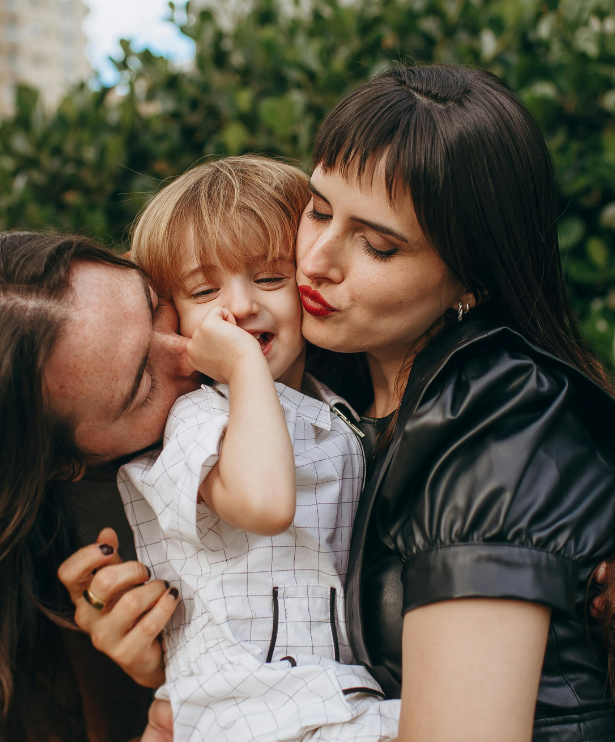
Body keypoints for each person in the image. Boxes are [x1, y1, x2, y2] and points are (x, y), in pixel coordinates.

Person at [71, 65, 615, 741]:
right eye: (317, 210)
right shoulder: (325, 386)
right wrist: (176, 645)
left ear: (471, 277)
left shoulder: (493, 421)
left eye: (377, 245)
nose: (316, 259)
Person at [114, 155, 400, 742]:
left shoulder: (333, 408)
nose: (241, 306)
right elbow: (263, 505)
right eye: (204, 290)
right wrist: (243, 363)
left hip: (328, 695)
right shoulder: (196, 418)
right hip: (247, 702)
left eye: (270, 277)